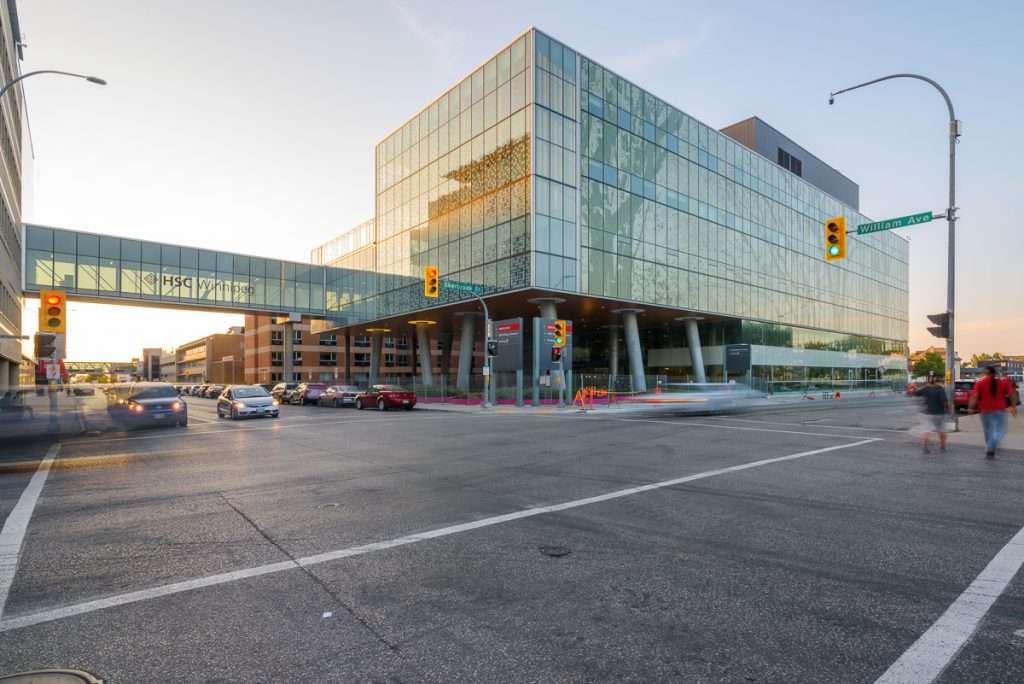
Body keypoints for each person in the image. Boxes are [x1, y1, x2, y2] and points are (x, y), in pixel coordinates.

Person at [969, 366, 1018, 459]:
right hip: (999, 411)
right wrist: (1013, 406)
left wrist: (970, 408)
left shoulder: (980, 383)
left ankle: (990, 449)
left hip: (985, 411)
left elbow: (974, 396)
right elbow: (1012, 394)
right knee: (1000, 431)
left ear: (985, 374)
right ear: (995, 373)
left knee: (988, 431)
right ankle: (990, 448)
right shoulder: (1003, 382)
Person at [914, 374, 948, 453]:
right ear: (937, 382)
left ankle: (925, 448)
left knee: (926, 430)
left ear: (928, 381)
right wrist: (947, 409)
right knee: (941, 430)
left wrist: (915, 388)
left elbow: (916, 393)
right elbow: (944, 402)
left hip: (927, 413)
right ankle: (942, 447)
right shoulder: (940, 389)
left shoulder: (925, 389)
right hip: (939, 413)